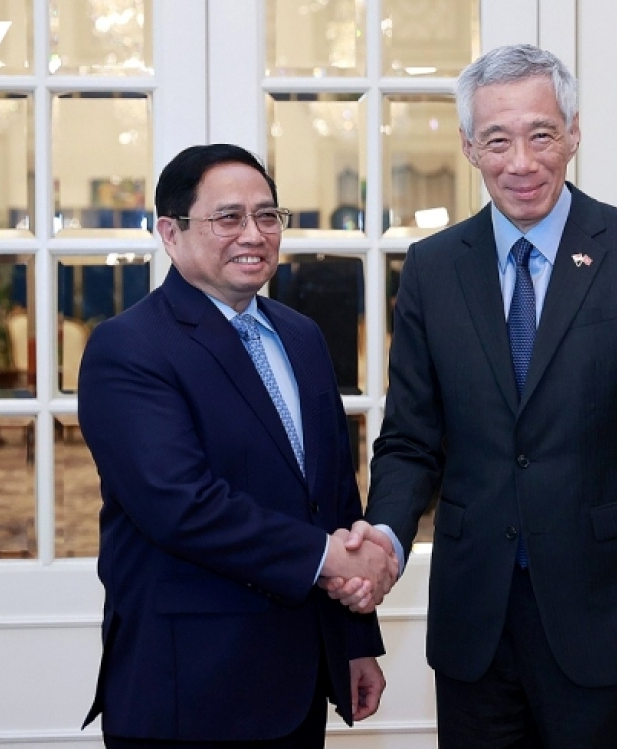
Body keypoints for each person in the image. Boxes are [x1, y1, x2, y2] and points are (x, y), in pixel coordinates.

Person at [329, 44, 617, 747]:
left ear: (573, 133)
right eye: (497, 140)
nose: (521, 162)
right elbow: (411, 439)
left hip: (606, 613)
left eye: (541, 134)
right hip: (476, 616)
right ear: (469, 146)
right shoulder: (434, 268)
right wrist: (382, 539)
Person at [78, 143, 396, 748]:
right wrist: (330, 559)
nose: (253, 234)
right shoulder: (129, 348)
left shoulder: (301, 336)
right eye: (228, 218)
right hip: (189, 687)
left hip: (300, 679)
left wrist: (355, 643)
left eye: (268, 216)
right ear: (170, 233)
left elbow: (330, 496)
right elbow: (181, 505)